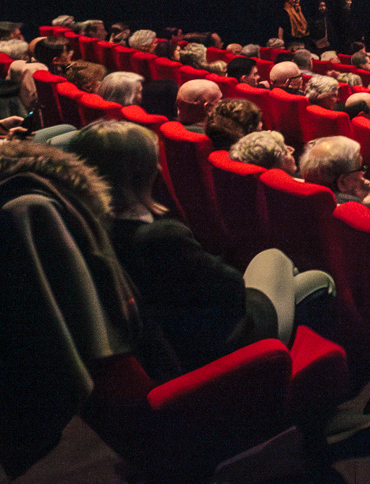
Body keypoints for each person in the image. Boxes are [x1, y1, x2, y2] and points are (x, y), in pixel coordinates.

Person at [67, 121, 333, 372]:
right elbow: (232, 288)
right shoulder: (158, 237)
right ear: (144, 174)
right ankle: (292, 376)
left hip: (181, 337)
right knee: (315, 277)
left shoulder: (80, 227)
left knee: (282, 266)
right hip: (224, 343)